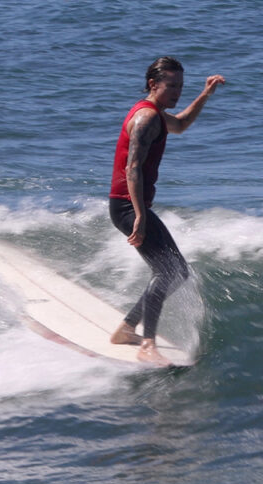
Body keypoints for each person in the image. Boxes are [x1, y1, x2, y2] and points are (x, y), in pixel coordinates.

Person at [108, 57, 226, 366]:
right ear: (153, 84)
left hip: (133, 206)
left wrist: (205, 95)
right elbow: (132, 169)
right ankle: (147, 344)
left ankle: (125, 328)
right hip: (128, 206)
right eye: (171, 86)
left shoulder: (157, 115)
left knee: (176, 272)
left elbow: (182, 124)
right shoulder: (146, 118)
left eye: (180, 87)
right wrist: (140, 216)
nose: (177, 92)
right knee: (167, 271)